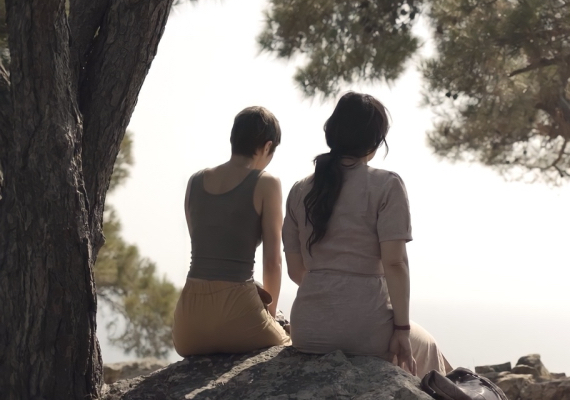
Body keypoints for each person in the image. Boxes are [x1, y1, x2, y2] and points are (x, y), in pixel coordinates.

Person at [283, 92, 451, 377]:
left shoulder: (299, 190)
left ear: (331, 133)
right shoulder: (387, 185)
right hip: (367, 330)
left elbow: (296, 270)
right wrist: (400, 328)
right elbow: (395, 264)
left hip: (307, 331)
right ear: (374, 143)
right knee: (429, 347)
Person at [172, 106, 291, 356]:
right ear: (267, 146)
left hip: (187, 326)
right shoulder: (267, 182)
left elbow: (204, 243)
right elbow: (273, 262)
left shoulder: (195, 181)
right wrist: (269, 316)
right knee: (289, 347)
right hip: (238, 316)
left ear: (233, 139)